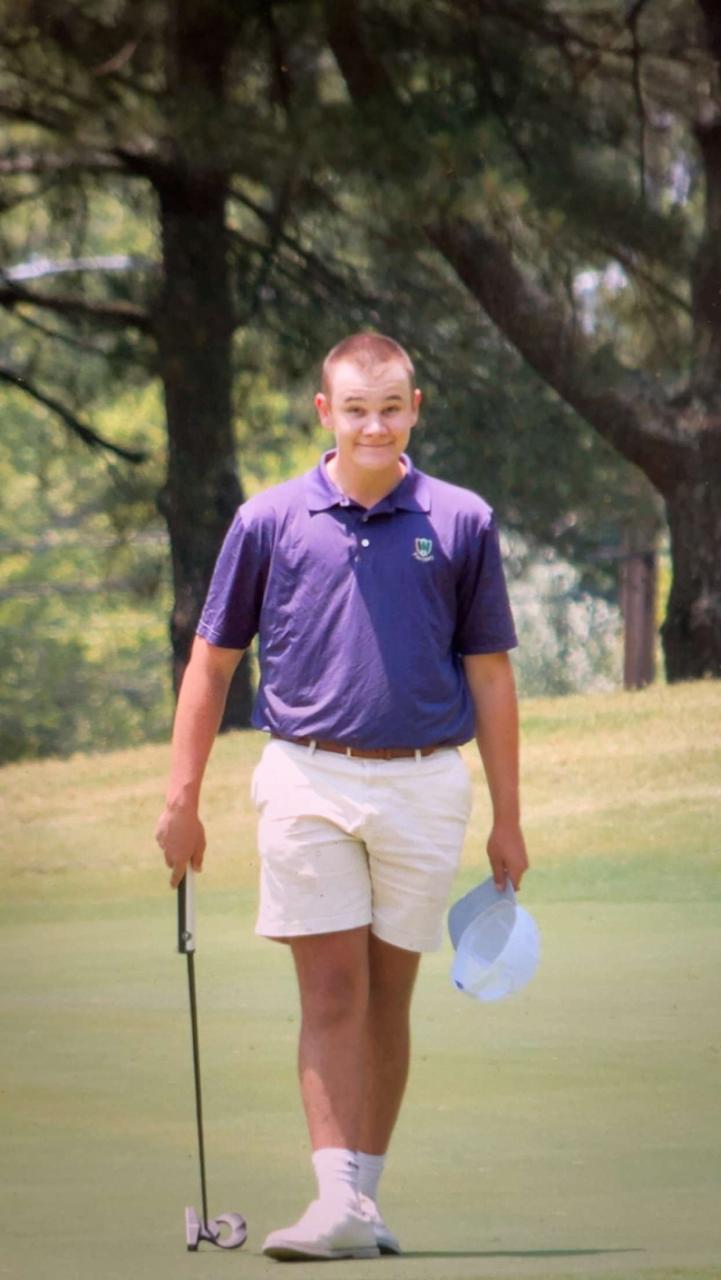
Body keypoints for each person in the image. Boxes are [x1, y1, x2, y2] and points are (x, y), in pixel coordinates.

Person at [154, 332, 528, 1262]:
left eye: (390, 408)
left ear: (414, 409)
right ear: (325, 411)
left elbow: (490, 676)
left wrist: (509, 820)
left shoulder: (462, 520)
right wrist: (181, 800)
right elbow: (211, 664)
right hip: (306, 776)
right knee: (331, 989)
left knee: (388, 997)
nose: (373, 426)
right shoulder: (268, 520)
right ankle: (333, 1200)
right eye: (355, 409)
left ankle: (361, 1198)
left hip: (425, 782)